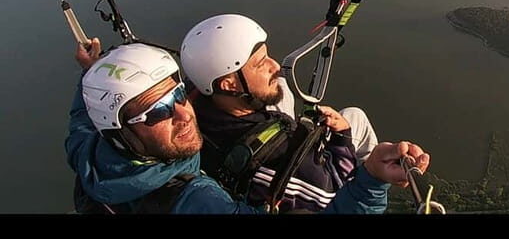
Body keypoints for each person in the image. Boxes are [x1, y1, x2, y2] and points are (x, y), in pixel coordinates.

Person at [68, 40, 430, 214]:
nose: (184, 112)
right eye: (158, 111)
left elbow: (83, 119)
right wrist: (368, 183)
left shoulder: (89, 152)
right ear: (119, 131)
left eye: (178, 94)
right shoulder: (196, 201)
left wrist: (93, 70)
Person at [179, 14, 378, 212]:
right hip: (294, 172)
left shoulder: (192, 98)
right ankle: (377, 167)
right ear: (229, 84)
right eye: (260, 63)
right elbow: (328, 194)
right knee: (355, 116)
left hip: (249, 128)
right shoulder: (277, 157)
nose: (275, 65)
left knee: (281, 84)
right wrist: (342, 139)